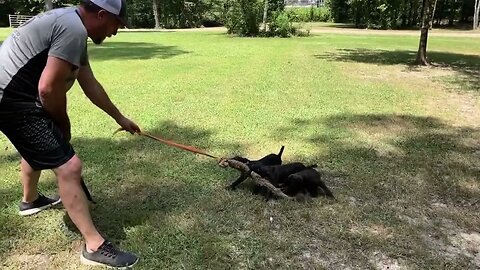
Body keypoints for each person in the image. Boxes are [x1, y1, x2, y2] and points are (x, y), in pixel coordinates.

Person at [0, 0, 141, 268]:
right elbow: (48, 89)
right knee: (69, 167)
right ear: (101, 14)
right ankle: (94, 246)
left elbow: (90, 83)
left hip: (14, 95)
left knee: (41, 144)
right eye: (116, 24)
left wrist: (119, 118)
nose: (115, 31)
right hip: (12, 99)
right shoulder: (73, 29)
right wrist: (62, 123)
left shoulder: (69, 21)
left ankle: (30, 201)